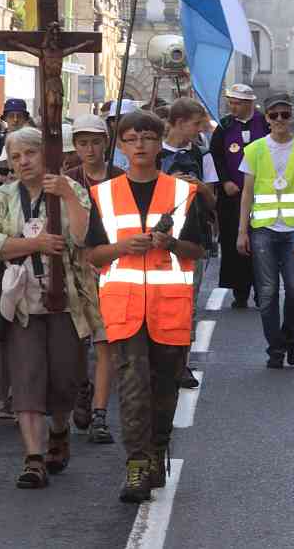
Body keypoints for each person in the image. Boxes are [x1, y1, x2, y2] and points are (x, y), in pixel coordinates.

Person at [85, 109, 207, 503]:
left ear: (160, 142)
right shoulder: (103, 194)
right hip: (124, 309)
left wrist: (170, 244)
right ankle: (136, 466)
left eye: (148, 138)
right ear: (121, 146)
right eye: (132, 139)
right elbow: (93, 253)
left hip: (169, 307)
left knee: (164, 390)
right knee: (134, 387)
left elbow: (200, 249)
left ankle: (156, 449)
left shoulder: (182, 193)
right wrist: (123, 247)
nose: (140, 146)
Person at [0, 127, 91, 488]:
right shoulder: (5, 196)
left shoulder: (70, 189)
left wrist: (68, 197)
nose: (23, 162)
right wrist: (32, 243)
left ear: (47, 155)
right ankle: (33, 457)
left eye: (30, 154)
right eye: (15, 157)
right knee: (25, 378)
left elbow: (84, 237)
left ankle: (59, 430)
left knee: (63, 378)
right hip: (21, 301)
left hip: (66, 300)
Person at [237, 93, 294, 369]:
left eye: (285, 115)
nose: (280, 120)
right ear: (267, 119)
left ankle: (290, 338)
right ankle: (275, 348)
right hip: (263, 229)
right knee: (268, 291)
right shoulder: (255, 150)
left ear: (292, 116)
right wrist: (242, 231)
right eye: (274, 115)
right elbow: (247, 192)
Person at [65, 114, 123, 444]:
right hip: (76, 272)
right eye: (83, 143)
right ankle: (82, 389)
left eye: (96, 142)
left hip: (110, 271)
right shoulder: (68, 180)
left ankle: (100, 413)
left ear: (106, 143)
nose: (89, 149)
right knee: (75, 346)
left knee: (106, 344)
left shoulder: (120, 179)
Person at [161, 98, 219, 388]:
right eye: (196, 124)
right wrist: (168, 181)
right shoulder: (154, 151)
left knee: (187, 302)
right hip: (159, 237)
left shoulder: (201, 154)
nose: (199, 130)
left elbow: (213, 199)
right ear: (179, 122)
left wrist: (199, 187)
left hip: (191, 237)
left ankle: (181, 363)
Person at [210, 84, 269, 308]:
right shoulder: (225, 126)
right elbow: (216, 156)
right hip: (232, 196)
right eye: (230, 103)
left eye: (236, 104)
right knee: (235, 242)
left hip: (260, 196)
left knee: (260, 244)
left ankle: (261, 290)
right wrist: (225, 181)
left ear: (249, 104)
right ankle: (239, 290)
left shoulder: (264, 123)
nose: (232, 108)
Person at [105, 99, 138, 171]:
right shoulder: (105, 147)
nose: (119, 123)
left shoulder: (143, 146)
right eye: (114, 119)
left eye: (124, 118)